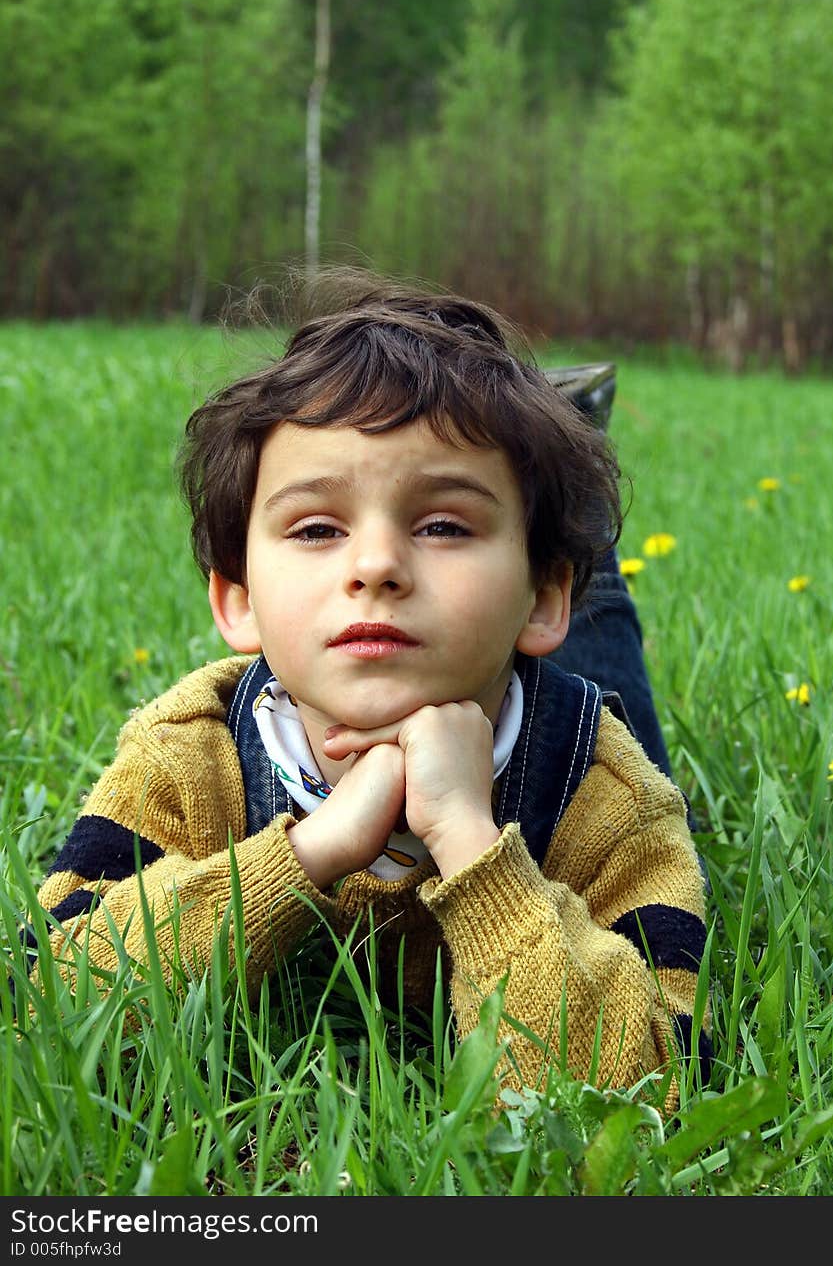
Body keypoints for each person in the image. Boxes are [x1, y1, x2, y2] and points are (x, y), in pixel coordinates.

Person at [34, 270, 710, 1105]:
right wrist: (311, 850)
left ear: (539, 597)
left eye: (442, 525)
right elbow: (54, 991)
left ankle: (570, 504)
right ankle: (542, 462)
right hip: (493, 634)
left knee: (604, 656)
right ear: (238, 599)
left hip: (548, 701)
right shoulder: (191, 747)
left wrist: (469, 840)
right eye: (317, 527)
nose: (378, 565)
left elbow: (655, 1083)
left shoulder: (605, 793)